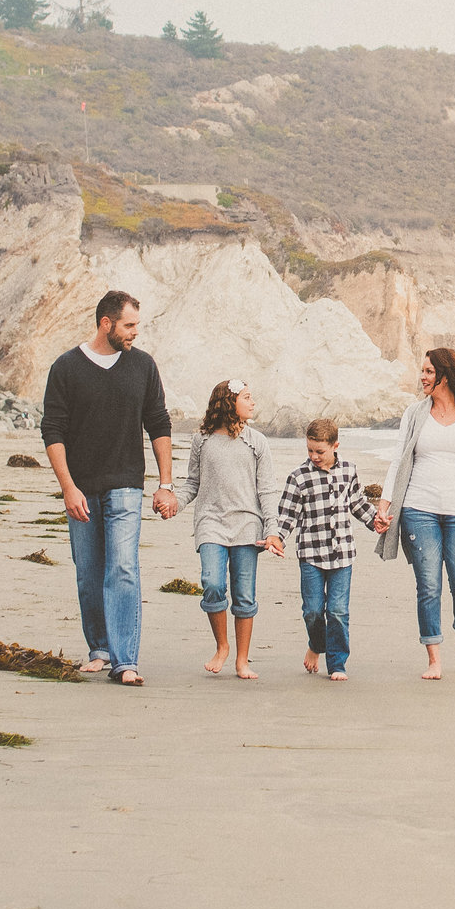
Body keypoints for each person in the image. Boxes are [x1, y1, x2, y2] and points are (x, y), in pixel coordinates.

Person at [39, 290, 174, 687]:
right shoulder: (66, 367)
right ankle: (99, 647)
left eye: (136, 325)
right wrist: (68, 487)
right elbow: (53, 430)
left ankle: (124, 660)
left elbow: (159, 424)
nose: (135, 333)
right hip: (81, 487)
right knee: (89, 572)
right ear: (106, 324)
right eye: (129, 325)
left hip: (127, 484)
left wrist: (165, 484)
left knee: (123, 567)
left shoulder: (143, 366)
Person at [374, 347, 455, 679]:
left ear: (445, 375)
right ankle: (434, 656)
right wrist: (384, 507)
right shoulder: (414, 414)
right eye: (422, 371)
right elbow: (398, 462)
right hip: (419, 509)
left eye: (429, 372)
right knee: (428, 585)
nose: (422, 377)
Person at [173, 378, 283, 680]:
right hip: (210, 522)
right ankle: (222, 647)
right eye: (247, 397)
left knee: (244, 595)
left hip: (249, 525)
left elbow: (267, 492)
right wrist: (175, 504)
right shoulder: (202, 440)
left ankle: (242, 660)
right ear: (228, 401)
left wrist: (272, 530)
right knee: (211, 583)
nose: (253, 402)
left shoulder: (257, 441)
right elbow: (192, 483)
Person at [267, 417, 382, 681]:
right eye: (310, 450)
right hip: (311, 554)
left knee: (338, 611)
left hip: (342, 554)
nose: (314, 456)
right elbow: (287, 515)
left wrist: (376, 522)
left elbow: (358, 504)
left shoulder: (349, 471)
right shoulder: (298, 477)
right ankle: (316, 644)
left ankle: (337, 663)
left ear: (335, 445)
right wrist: (277, 538)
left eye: (320, 451)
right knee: (313, 610)